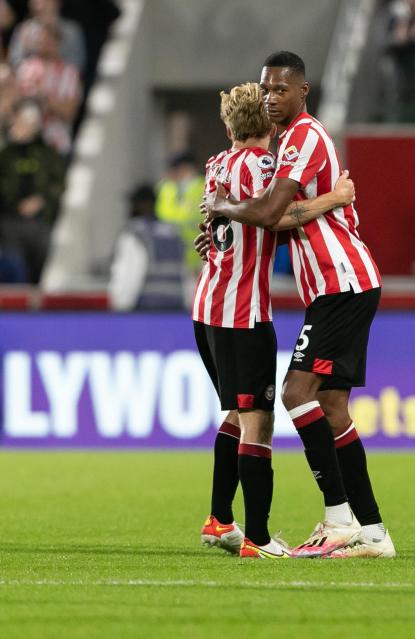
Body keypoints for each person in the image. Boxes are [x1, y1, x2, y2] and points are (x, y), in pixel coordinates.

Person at [203, 51, 394, 559]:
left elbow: (268, 213)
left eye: (280, 89)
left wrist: (222, 207)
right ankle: (372, 533)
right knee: (331, 408)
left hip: (342, 283)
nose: (270, 97)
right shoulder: (288, 142)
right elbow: (280, 220)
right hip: (335, 286)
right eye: (265, 89)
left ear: (303, 91)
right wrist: (224, 232)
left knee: (294, 393)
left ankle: (339, 519)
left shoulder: (305, 136)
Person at [0, 99, 64, 283]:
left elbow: (58, 184)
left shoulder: (48, 154)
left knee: (41, 268)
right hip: (9, 221)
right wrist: (14, 205)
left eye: (29, 121)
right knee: (14, 266)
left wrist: (41, 201)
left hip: (40, 221)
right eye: (21, 120)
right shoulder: (6, 154)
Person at [107, 184, 183, 311]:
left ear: (143, 204)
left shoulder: (135, 233)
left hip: (146, 311)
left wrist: (120, 308)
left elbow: (129, 275)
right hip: (176, 310)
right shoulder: (173, 233)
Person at [14, 21, 82, 155]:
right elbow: (13, 103)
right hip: (24, 141)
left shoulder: (70, 73)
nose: (42, 43)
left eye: (46, 39)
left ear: (57, 42)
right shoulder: (25, 68)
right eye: (39, 39)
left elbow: (69, 113)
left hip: (55, 143)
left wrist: (44, 97)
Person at [155, 151, 206, 278]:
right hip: (170, 257)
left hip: (196, 259)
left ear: (186, 168)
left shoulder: (203, 187)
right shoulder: (165, 188)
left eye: (174, 169)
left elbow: (192, 218)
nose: (170, 174)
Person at [7, 0, 86, 70]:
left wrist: (53, 53)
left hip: (60, 81)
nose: (41, 4)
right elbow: (14, 61)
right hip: (28, 81)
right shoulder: (24, 29)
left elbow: (78, 63)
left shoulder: (72, 31)